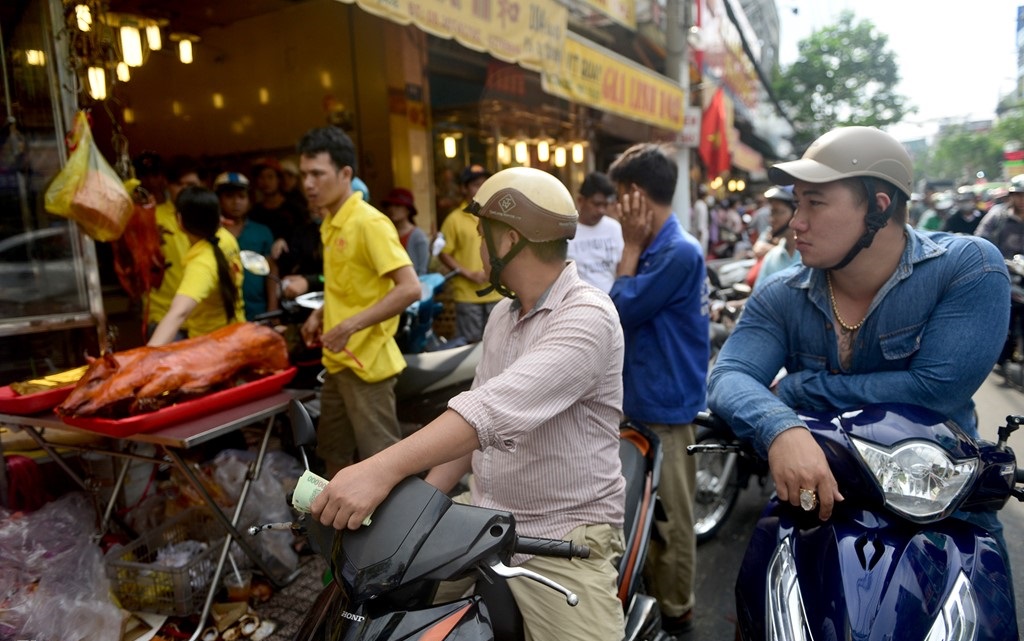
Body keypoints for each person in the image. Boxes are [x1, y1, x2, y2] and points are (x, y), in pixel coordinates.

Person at [310, 166, 627, 641]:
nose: (477, 246)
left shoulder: (588, 317)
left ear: (509, 239)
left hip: (560, 535)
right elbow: (471, 426)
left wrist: (380, 469)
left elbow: (489, 412)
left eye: (482, 234)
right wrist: (422, 507)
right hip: (483, 515)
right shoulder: (503, 313)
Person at [707, 126, 1009, 550]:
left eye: (815, 202)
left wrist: (796, 388)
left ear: (878, 209)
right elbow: (729, 374)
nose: (796, 222)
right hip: (820, 500)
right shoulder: (783, 293)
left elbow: (934, 390)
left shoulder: (967, 268)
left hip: (945, 509)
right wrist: (781, 429)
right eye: (797, 203)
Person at [606, 143, 709, 638]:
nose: (614, 208)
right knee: (643, 520)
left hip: (665, 409)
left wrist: (626, 249)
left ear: (635, 195)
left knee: (671, 523)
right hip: (643, 403)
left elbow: (618, 312)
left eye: (619, 196)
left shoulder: (675, 251)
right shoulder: (659, 247)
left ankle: (677, 614)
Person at [297, 126, 421, 477]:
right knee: (334, 455)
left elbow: (410, 288)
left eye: (317, 174)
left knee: (383, 463)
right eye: (304, 174)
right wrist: (321, 313)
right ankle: (344, 529)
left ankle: (397, 531)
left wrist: (350, 325)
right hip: (338, 363)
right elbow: (350, 287)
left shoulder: (369, 223)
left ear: (345, 173)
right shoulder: (331, 223)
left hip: (368, 364)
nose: (308, 183)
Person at [147, 186, 244, 346]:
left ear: (179, 220)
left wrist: (144, 359)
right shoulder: (227, 239)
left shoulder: (202, 264)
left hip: (213, 348)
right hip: (237, 336)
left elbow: (179, 313)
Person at [438, 164, 504, 342]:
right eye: (475, 185)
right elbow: (444, 253)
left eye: (484, 183)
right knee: (470, 346)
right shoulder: (454, 219)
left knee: (498, 343)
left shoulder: (498, 215)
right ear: (463, 188)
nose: (481, 188)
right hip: (467, 295)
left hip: (498, 293)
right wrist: (468, 273)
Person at [135, 151, 191, 340]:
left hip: (194, 314)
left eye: (155, 175)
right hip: (161, 315)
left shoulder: (182, 210)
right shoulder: (135, 216)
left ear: (164, 179)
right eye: (144, 176)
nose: (150, 181)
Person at [976, 173, 1024, 374]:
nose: (1021, 199)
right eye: (1018, 194)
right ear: (1011, 196)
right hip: (1004, 273)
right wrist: (997, 260)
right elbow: (981, 239)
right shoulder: (998, 215)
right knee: (1001, 314)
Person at [215, 171, 279, 320]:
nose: (236, 202)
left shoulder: (262, 232)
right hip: (220, 314)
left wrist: (273, 308)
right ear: (218, 200)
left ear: (249, 200)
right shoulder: (211, 234)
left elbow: (271, 273)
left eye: (241, 197)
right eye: (229, 196)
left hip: (257, 311)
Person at [566, 172, 622, 293]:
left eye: (605, 205)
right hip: (580, 304)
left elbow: (620, 269)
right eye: (596, 204)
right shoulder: (567, 231)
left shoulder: (614, 228)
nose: (601, 210)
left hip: (613, 302)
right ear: (580, 200)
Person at [249, 157, 308, 241]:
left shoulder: (295, 208)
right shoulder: (254, 213)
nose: (266, 182)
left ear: (279, 180)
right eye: (261, 177)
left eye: (270, 177)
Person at [753, 186, 800, 289]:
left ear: (796, 214)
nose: (772, 219)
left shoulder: (810, 256)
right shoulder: (772, 257)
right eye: (772, 213)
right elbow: (758, 296)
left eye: (778, 212)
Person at [382, 187, 429, 275]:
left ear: (408, 210)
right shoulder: (385, 233)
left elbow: (422, 271)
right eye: (389, 205)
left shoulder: (418, 236)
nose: (392, 209)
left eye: (398, 205)